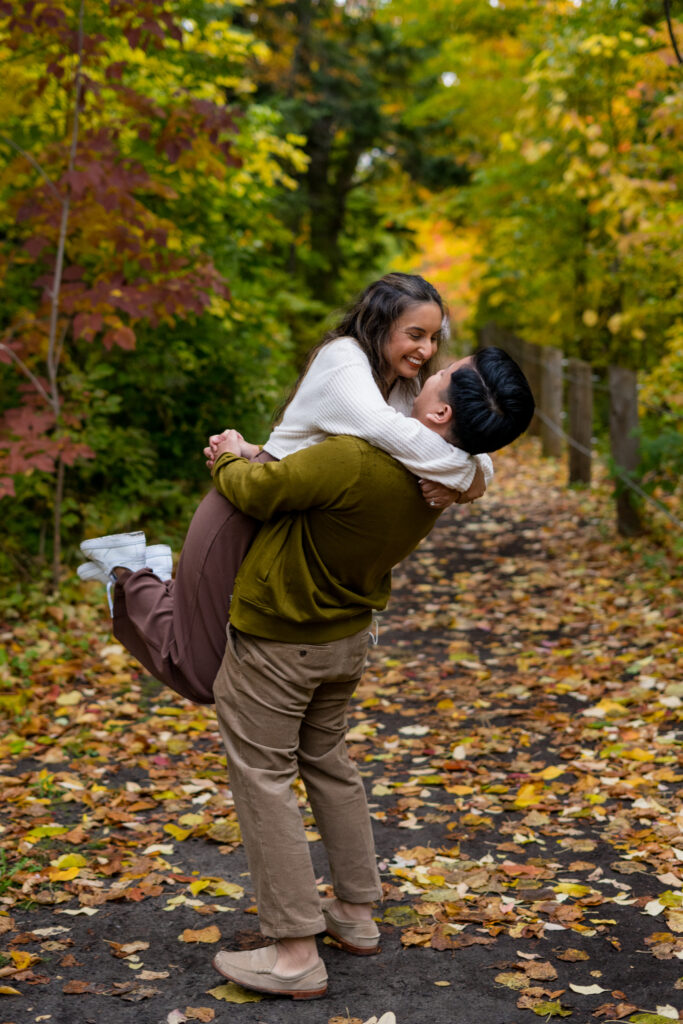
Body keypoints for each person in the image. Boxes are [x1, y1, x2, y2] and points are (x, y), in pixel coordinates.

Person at [79, 349, 535, 1000]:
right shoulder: (445, 477)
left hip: (278, 644)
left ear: (437, 410)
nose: (426, 367)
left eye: (439, 372)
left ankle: (293, 951)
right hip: (343, 642)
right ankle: (354, 913)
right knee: (326, 763)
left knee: (263, 780)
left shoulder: (357, 460)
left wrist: (232, 452)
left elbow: (257, 491)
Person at [79, 274, 494, 705]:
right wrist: (468, 479)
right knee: (204, 677)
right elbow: (394, 435)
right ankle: (129, 569)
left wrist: (474, 474)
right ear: (378, 324)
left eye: (432, 337)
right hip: (248, 506)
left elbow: (466, 442)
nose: (426, 350)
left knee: (219, 666)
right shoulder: (344, 360)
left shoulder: (404, 384)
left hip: (291, 525)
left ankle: (156, 577)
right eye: (415, 335)